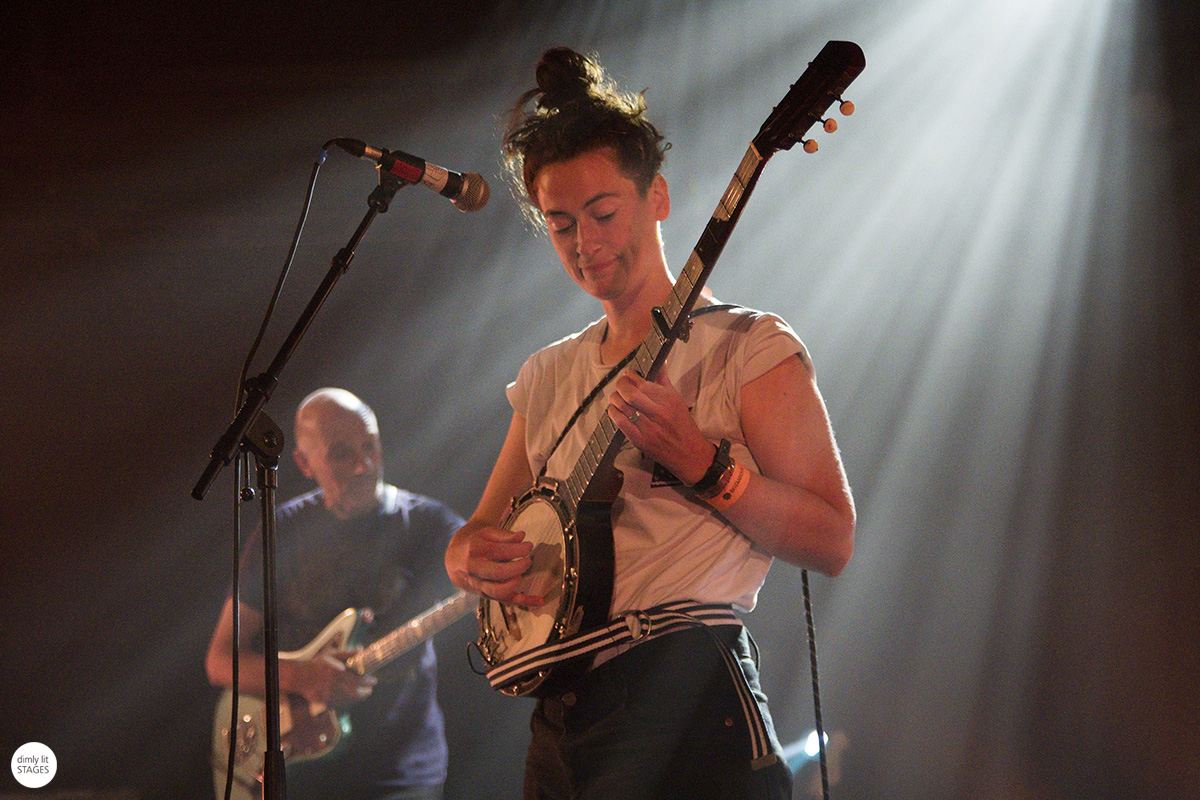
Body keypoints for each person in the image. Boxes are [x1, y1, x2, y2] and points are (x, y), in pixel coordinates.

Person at [444, 48, 857, 800]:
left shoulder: (748, 344)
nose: (583, 241)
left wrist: (706, 466)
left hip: (688, 695)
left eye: (603, 213)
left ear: (658, 197)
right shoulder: (544, 375)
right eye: (560, 222)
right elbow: (474, 533)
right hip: (561, 718)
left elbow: (831, 541)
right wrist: (472, 557)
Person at [206, 388, 464, 800]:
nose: (364, 465)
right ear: (305, 464)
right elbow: (220, 660)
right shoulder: (283, 530)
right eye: (342, 453)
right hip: (298, 777)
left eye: (371, 445)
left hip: (400, 773)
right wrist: (300, 676)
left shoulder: (432, 526)